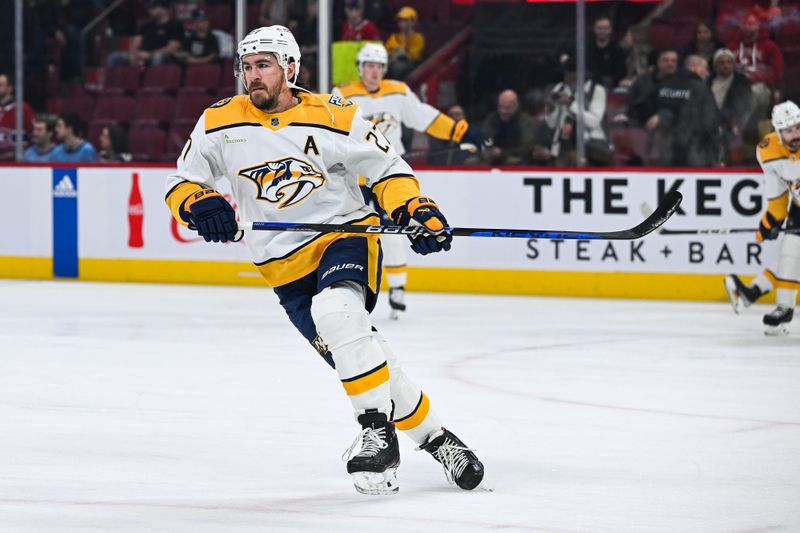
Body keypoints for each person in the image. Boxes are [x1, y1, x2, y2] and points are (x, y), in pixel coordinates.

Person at [164, 26, 484, 495]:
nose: (253, 75)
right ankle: (439, 441)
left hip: (343, 235)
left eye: (264, 65)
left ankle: (376, 431)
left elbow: (387, 169)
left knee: (336, 313)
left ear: (291, 69)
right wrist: (198, 204)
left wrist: (413, 207)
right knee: (364, 356)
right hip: (280, 266)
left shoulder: (334, 115)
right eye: (247, 66)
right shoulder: (218, 121)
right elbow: (181, 182)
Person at [332, 43, 476, 319]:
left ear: (384, 69)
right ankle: (354, 287)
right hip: (355, 179)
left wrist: (457, 132)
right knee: (357, 234)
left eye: (378, 66)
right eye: (368, 66)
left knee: (395, 230)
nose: (373, 72)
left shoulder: (398, 92)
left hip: (387, 176)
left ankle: (397, 287)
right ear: (360, 68)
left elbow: (424, 116)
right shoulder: (343, 95)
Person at [724, 101, 800, 335]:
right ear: (778, 132)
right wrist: (769, 223)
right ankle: (783, 307)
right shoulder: (768, 150)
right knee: (792, 251)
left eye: (798, 127)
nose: (796, 134)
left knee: (794, 255)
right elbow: (777, 196)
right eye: (789, 130)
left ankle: (754, 291)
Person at [545, 56, 610, 166]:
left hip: (591, 146)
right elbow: (552, 125)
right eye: (567, 73)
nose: (568, 77)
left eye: (572, 73)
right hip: (564, 143)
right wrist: (551, 110)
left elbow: (594, 122)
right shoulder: (560, 88)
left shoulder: (597, 90)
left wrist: (571, 104)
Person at [708, 48, 754, 164]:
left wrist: (727, 118)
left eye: (729, 62)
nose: (726, 65)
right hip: (710, 120)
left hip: (732, 121)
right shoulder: (708, 82)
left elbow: (741, 105)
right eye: (722, 63)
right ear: (715, 66)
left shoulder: (741, 82)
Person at [108, 0, 184, 67]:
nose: (150, 10)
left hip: (161, 56)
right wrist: (133, 54)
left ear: (164, 9)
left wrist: (150, 54)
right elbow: (135, 42)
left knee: (158, 57)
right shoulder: (147, 25)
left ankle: (155, 82)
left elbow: (172, 47)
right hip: (141, 54)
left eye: (154, 8)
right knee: (115, 57)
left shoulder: (175, 25)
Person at [482, 89, 539, 166]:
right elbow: (485, 138)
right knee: (472, 161)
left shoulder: (526, 121)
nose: (503, 111)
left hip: (518, 158)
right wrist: (490, 149)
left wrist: (502, 153)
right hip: (494, 158)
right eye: (501, 107)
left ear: (516, 106)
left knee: (512, 162)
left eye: (507, 108)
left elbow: (527, 148)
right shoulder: (492, 119)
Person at [585, 15, 627, 90]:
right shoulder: (587, 49)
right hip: (588, 87)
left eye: (605, 28)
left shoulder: (618, 51)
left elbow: (620, 74)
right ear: (594, 29)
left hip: (611, 88)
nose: (602, 31)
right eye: (599, 28)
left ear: (610, 30)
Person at [0, 72, 35, 160]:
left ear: (10, 88)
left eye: (1, 85)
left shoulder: (23, 109)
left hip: (16, 162)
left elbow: (33, 134)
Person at [385, 6, 425, 80]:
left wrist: (401, 53)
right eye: (400, 21)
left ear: (413, 22)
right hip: (393, 61)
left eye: (405, 20)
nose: (402, 23)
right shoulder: (394, 37)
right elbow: (388, 52)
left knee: (398, 67)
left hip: (410, 64)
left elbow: (413, 56)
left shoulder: (417, 38)